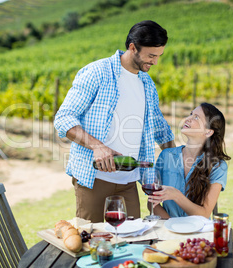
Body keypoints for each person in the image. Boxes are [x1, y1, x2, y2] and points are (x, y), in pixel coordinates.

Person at [54, 20, 175, 223]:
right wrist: (98, 146)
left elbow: (159, 127)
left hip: (130, 181)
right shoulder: (97, 73)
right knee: (94, 244)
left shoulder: (147, 83)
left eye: (158, 56)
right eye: (151, 56)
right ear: (132, 47)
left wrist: (178, 159)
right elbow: (63, 118)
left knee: (132, 243)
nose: (155, 62)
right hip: (94, 179)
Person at [149, 103, 230, 218]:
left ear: (208, 132)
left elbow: (205, 213)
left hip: (196, 234)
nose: (188, 119)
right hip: (166, 229)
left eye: (196, 117)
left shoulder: (218, 166)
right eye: (191, 114)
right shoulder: (166, 155)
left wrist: (176, 195)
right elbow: (152, 202)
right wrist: (172, 228)